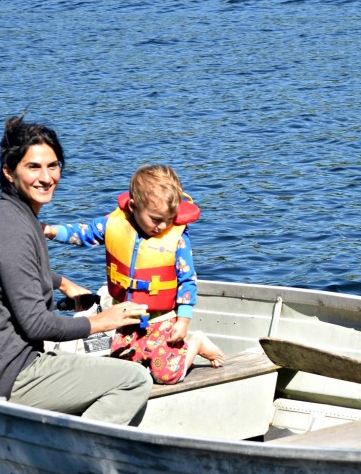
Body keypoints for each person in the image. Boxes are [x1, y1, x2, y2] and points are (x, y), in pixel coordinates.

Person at [0, 115, 152, 425]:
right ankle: (75, 459)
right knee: (134, 379)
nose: (46, 177)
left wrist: (63, 283)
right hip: (0, 376)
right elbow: (37, 326)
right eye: (33, 167)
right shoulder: (12, 229)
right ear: (8, 171)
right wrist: (101, 321)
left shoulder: (12, 216)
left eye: (53, 165)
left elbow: (15, 273)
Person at [43, 164, 225, 385]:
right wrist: (50, 231)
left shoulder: (177, 238)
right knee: (123, 374)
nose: (162, 226)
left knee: (166, 376)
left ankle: (196, 344)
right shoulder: (114, 224)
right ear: (133, 206)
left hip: (162, 320)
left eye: (168, 219)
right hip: (126, 316)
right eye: (155, 219)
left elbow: (188, 281)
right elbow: (82, 233)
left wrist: (184, 319)